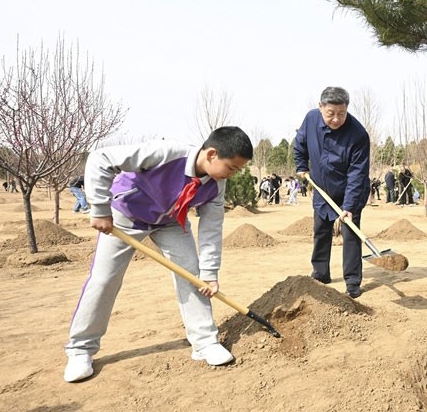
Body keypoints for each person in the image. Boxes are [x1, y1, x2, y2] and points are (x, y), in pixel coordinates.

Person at [63, 126, 253, 383]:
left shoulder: (216, 185)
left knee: (193, 276)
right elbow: (101, 158)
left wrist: (209, 273)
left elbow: (211, 229)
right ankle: (80, 350)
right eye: (231, 168)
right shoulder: (166, 153)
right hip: (126, 216)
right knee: (104, 279)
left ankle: (205, 343)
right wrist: (99, 208)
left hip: (171, 222)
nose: (232, 174)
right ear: (211, 154)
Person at [294, 86, 370, 299]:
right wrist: (301, 166)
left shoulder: (358, 134)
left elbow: (357, 173)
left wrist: (349, 206)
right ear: (320, 107)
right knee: (321, 231)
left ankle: (352, 282)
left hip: (350, 190)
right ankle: (320, 274)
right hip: (321, 188)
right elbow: (299, 144)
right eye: (331, 113)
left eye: (341, 113)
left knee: (351, 234)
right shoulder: (311, 120)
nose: (336, 119)